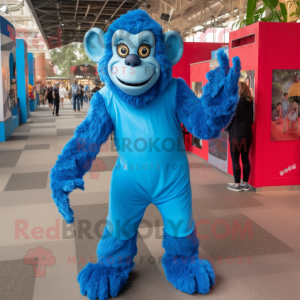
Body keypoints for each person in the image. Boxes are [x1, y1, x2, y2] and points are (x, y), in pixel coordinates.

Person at [226, 81, 253, 192]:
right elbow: (251, 121)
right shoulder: (250, 104)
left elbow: (230, 121)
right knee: (245, 159)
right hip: (247, 136)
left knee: (236, 160)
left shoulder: (235, 104)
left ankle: (237, 184)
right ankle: (245, 184)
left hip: (236, 137)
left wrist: (228, 131)